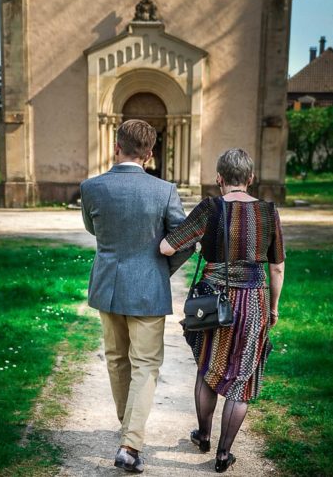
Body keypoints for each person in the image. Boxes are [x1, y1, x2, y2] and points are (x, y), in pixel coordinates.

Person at [159, 148, 286, 473]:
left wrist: (196, 244)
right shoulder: (268, 212)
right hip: (254, 301)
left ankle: (203, 435)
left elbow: (168, 246)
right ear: (250, 178)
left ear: (219, 178)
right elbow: (276, 268)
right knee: (241, 379)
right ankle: (223, 454)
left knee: (208, 367)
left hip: (213, 301)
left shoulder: (210, 208)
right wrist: (273, 308)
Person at [80, 118, 192, 474]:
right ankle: (129, 444)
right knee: (145, 365)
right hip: (148, 290)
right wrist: (160, 270)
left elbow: (93, 229)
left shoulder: (91, 187)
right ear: (150, 153)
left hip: (108, 286)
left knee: (117, 360)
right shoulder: (165, 190)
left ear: (117, 147)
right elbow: (185, 241)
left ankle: (128, 431)